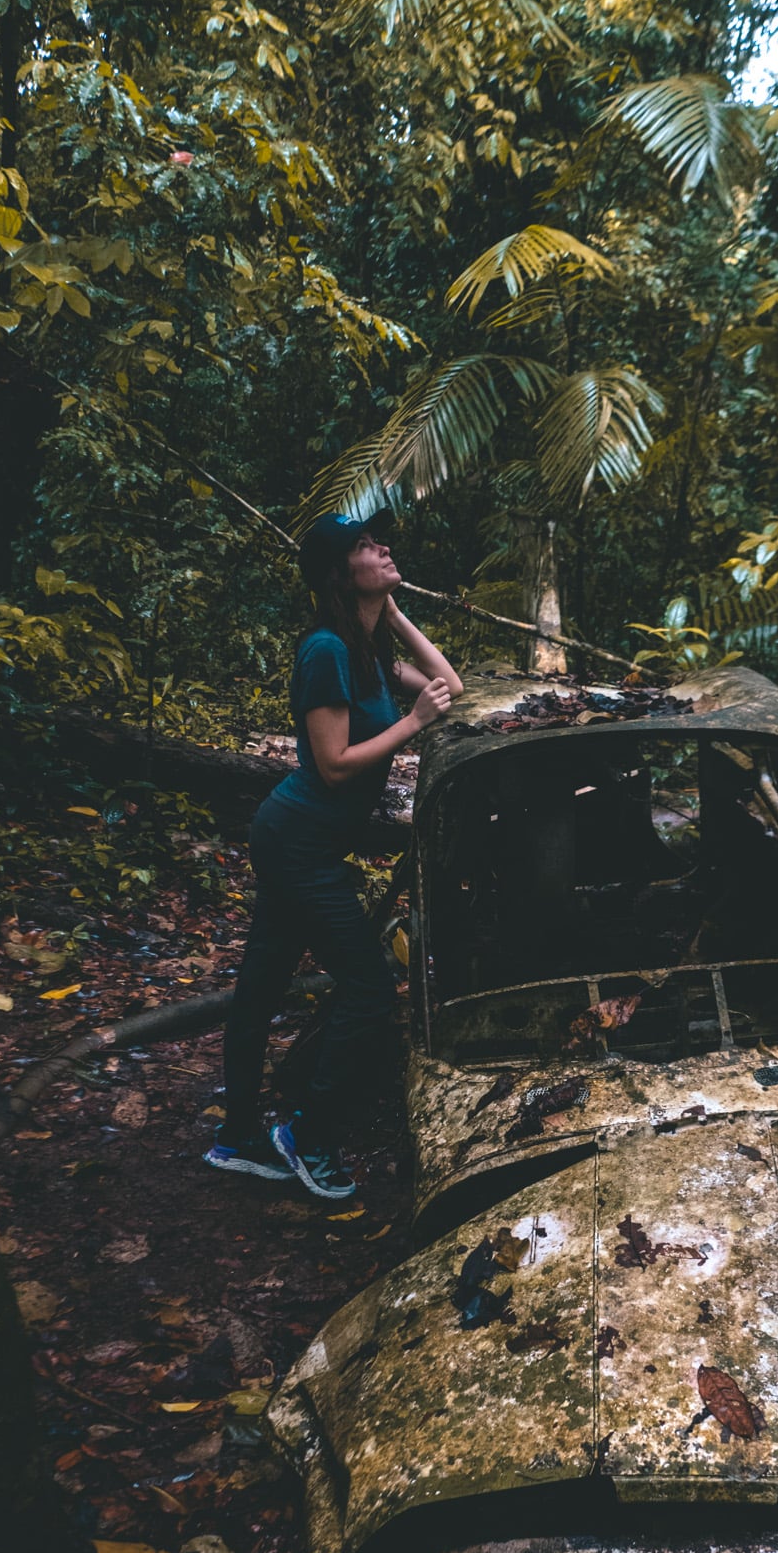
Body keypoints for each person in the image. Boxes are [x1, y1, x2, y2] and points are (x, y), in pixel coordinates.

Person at [205, 511, 463, 1199]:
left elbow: (450, 685)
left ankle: (236, 1138)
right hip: (298, 842)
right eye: (365, 546)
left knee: (262, 986)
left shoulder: (364, 648)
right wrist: (412, 725)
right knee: (370, 990)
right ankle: (308, 1133)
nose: (383, 547)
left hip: (305, 839)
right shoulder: (325, 651)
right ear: (338, 573)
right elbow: (334, 763)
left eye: (378, 541)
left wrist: (392, 610)